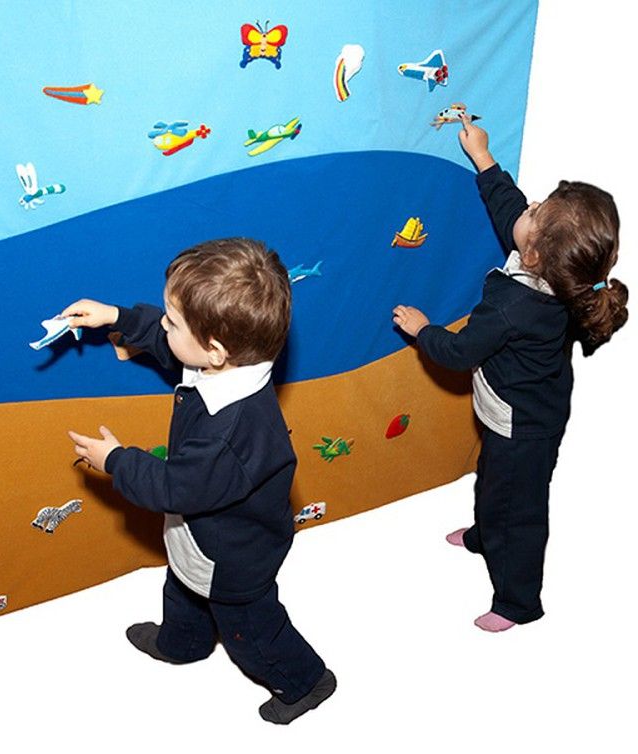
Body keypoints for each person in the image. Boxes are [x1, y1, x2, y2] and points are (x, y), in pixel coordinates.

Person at [63, 238, 336, 722]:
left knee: (251, 633)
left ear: (215, 349)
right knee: (182, 590)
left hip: (234, 561)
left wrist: (116, 460)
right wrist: (118, 317)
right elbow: (172, 349)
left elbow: (172, 487)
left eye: (172, 321)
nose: (163, 326)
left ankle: (304, 682)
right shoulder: (228, 363)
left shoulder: (230, 436)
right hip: (198, 539)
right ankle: (183, 643)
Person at [392, 115, 628, 632]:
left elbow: (458, 353)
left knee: (521, 510)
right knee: (493, 480)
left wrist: (423, 329)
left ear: (534, 253)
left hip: (523, 427)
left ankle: (518, 602)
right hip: (525, 413)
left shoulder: (512, 306)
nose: (530, 205)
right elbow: (510, 212)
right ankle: (485, 534)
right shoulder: (563, 273)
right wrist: (483, 158)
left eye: (536, 211)